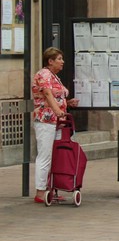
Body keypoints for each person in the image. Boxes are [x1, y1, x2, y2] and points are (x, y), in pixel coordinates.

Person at [32, 47, 78, 203]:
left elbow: (57, 96)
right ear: (50, 61)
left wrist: (67, 103)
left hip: (57, 121)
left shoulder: (54, 76)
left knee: (55, 155)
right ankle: (40, 191)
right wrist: (57, 109)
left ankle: (51, 188)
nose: (62, 61)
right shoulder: (43, 74)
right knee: (45, 155)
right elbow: (47, 94)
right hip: (46, 120)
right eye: (59, 59)